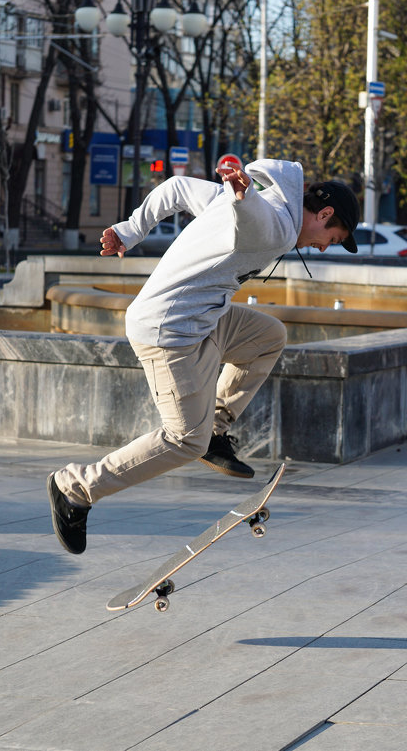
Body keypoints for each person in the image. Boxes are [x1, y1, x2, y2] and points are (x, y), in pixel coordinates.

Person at [47, 159, 360, 554]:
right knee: (182, 441)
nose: (321, 247)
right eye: (330, 238)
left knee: (268, 336)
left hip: (204, 319)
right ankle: (75, 487)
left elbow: (177, 189)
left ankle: (215, 427)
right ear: (325, 214)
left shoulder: (246, 200)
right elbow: (258, 223)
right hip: (169, 331)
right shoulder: (277, 224)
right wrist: (243, 197)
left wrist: (131, 229)